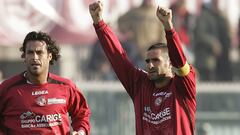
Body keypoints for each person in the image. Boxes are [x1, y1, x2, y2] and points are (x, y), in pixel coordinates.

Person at [89, 1, 196, 135]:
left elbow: (180, 62)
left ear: (170, 63)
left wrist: (169, 28)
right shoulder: (140, 85)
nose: (150, 65)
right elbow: (118, 59)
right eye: (148, 61)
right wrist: (99, 24)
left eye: (156, 60)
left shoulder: (183, 87)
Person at [0, 31, 90, 135]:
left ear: (49, 56)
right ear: (24, 56)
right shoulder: (7, 89)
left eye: (39, 52)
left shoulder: (66, 87)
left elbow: (82, 114)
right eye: (30, 52)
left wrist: (81, 131)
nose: (35, 57)